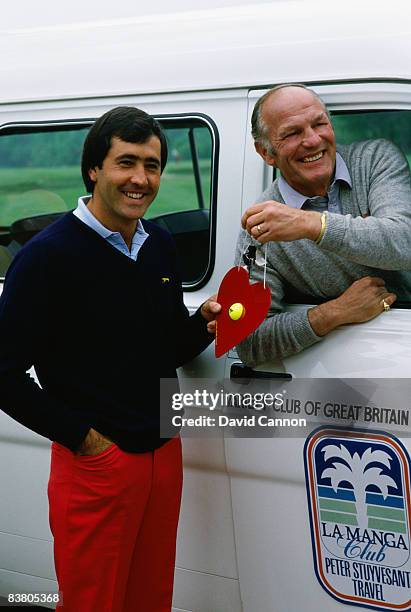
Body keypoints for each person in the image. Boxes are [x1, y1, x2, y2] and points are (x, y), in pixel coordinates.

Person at [0, 107, 220, 612]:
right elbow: (3, 373)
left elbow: (160, 346)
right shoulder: (46, 258)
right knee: (92, 602)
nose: (141, 179)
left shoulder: (158, 244)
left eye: (152, 165)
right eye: (126, 163)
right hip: (97, 462)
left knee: (150, 599)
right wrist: (88, 442)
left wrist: (204, 322)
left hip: (163, 454)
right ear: (94, 169)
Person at [236, 84, 411, 367]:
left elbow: (405, 241)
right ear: (266, 153)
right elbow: (246, 340)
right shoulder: (261, 228)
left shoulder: (375, 159)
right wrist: (333, 313)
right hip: (336, 373)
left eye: (320, 123)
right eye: (293, 133)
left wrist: (310, 224)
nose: (313, 140)